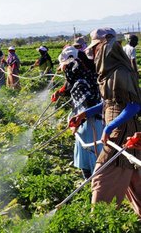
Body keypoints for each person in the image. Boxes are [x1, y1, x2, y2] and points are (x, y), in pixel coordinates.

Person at [69, 27, 141, 216]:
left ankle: (98, 219)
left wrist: (109, 126)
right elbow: (108, 103)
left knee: (102, 177)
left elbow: (134, 106)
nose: (94, 52)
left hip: (123, 133)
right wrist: (84, 114)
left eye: (97, 47)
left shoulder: (121, 72)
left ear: (107, 45)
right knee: (133, 179)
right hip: (119, 130)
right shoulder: (108, 73)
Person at [52, 46, 103, 179]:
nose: (63, 71)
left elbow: (88, 106)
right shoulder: (87, 74)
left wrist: (78, 122)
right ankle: (94, 186)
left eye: (64, 68)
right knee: (93, 156)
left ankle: (94, 189)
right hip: (95, 122)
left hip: (90, 126)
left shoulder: (79, 83)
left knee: (90, 157)